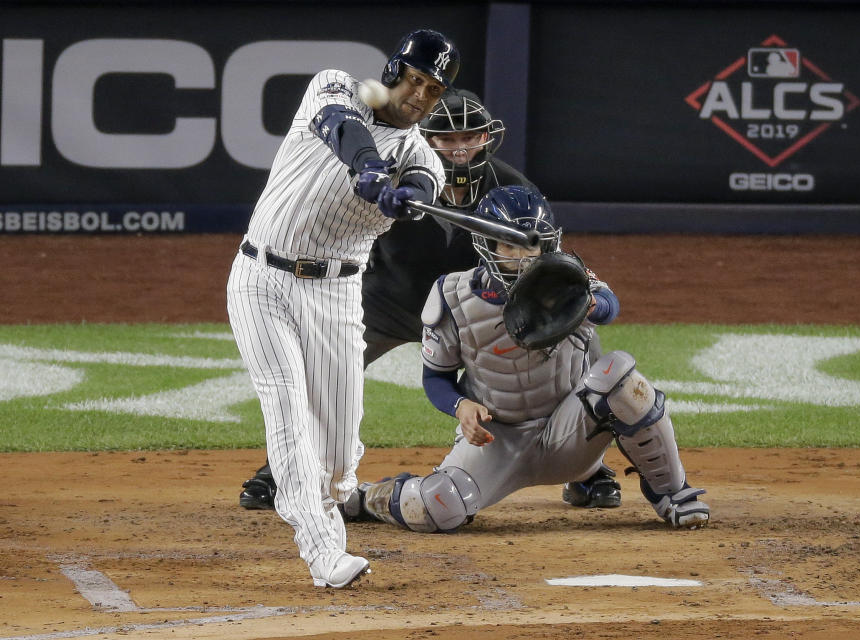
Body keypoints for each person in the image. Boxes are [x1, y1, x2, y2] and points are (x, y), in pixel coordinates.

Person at [238, 90, 621, 512]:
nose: (460, 149)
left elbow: (544, 261)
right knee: (322, 376)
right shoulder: (398, 174)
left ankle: (590, 470)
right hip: (389, 299)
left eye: (469, 138)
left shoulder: (513, 189)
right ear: (425, 137)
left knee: (575, 341)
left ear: (487, 138)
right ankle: (281, 469)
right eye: (446, 139)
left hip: (472, 307)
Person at [226, 29, 459, 588]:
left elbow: (425, 182)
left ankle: (325, 497)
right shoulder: (334, 86)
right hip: (261, 280)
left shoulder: (424, 157)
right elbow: (345, 131)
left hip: (335, 297)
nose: (420, 94)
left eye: (434, 88)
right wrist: (371, 172)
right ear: (394, 70)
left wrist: (410, 197)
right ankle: (324, 550)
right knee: (287, 411)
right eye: (415, 79)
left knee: (337, 460)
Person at [339, 186, 711, 534]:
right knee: (436, 507)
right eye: (509, 246)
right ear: (486, 244)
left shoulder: (569, 279)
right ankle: (370, 499)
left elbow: (609, 307)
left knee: (621, 377)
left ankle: (671, 493)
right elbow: (435, 377)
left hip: (570, 433)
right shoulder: (451, 296)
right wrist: (461, 405)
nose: (521, 258)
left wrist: (585, 302)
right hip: (498, 441)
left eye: (530, 247)